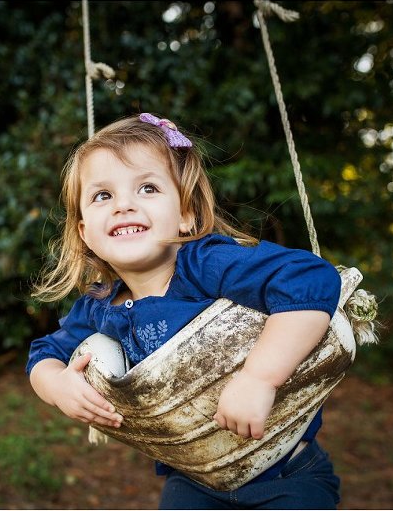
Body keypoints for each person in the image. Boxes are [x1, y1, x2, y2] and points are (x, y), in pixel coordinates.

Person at [26, 113, 342, 509]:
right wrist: (57, 386)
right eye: (103, 196)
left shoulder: (204, 264)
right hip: (193, 478)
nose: (123, 205)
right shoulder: (100, 305)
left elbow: (311, 279)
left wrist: (260, 378)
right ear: (85, 232)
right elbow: (44, 353)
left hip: (285, 473)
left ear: (185, 215)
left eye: (147, 188)